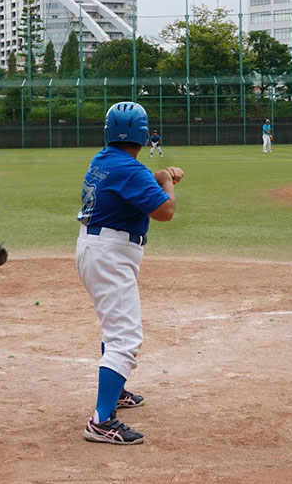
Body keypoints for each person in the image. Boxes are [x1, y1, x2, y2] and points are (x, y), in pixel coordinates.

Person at [76, 101, 184, 445]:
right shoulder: (130, 169)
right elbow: (165, 211)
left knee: (116, 325)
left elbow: (131, 183)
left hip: (99, 248)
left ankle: (117, 391)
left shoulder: (104, 160)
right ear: (141, 132)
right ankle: (101, 420)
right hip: (110, 254)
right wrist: (167, 182)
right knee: (125, 336)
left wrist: (159, 177)